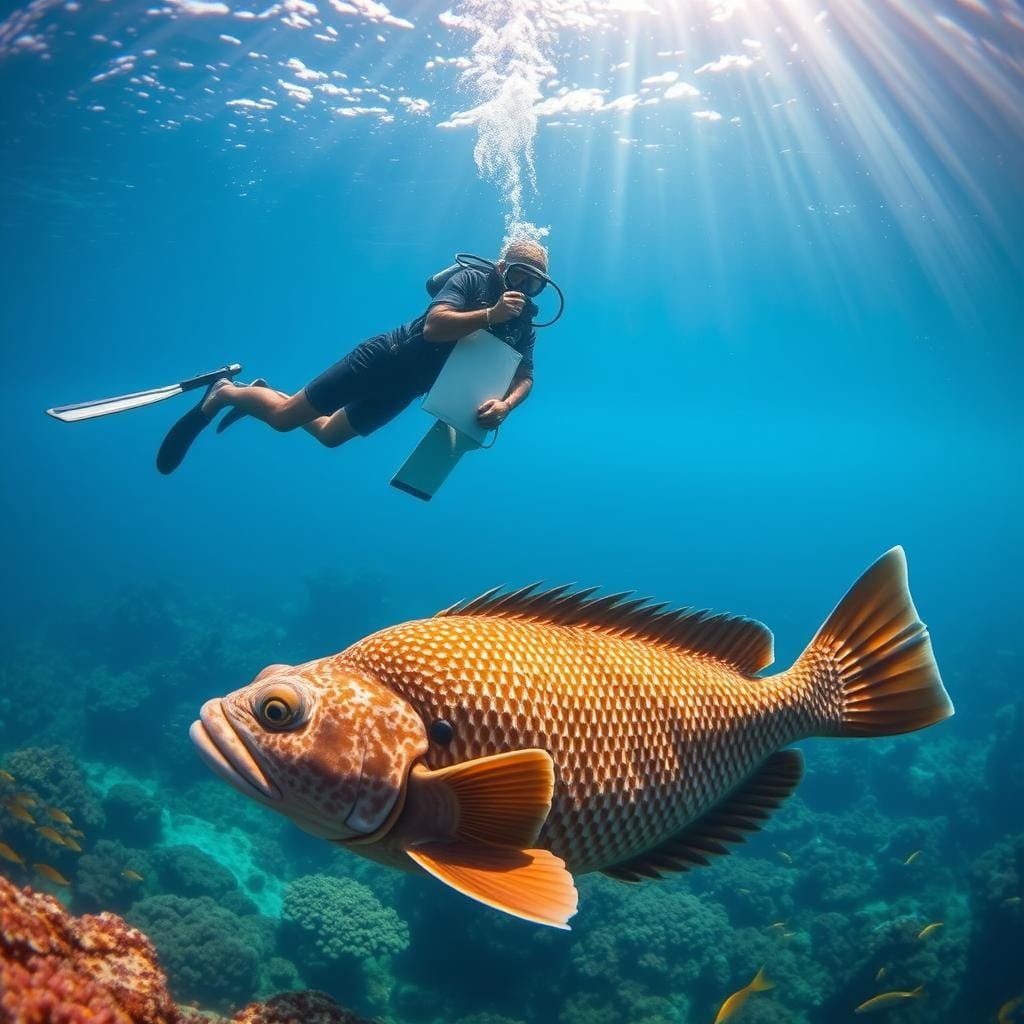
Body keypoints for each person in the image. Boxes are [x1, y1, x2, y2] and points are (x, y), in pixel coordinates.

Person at [156, 239, 550, 473]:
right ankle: (225, 391)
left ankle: (265, 392)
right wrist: (489, 314)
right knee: (282, 420)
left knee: (330, 437)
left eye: (535, 284)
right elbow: (435, 326)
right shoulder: (471, 281)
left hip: (406, 389)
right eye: (519, 276)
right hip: (381, 360)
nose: (526, 289)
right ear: (501, 268)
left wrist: (507, 404)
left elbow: (525, 375)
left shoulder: (522, 326)